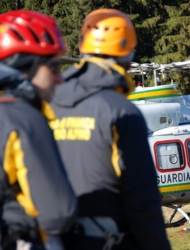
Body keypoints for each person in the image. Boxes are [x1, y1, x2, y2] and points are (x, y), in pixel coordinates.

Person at [49, 8, 170, 250]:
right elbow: (142, 200)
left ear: (82, 47)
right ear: (128, 53)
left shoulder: (48, 101)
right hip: (107, 240)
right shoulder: (121, 112)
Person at [0, 10, 77, 250]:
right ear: (25, 68)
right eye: (53, 67)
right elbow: (58, 212)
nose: (59, 79)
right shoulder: (23, 117)